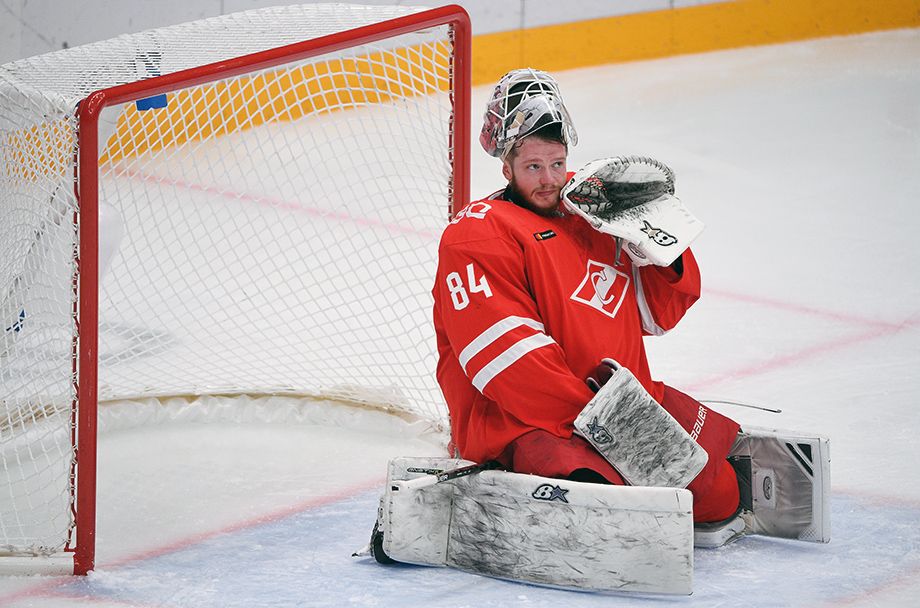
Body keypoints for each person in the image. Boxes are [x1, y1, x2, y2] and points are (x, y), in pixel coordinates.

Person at [432, 68, 741, 523]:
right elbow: (509, 364)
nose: (549, 179)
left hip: (620, 403)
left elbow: (659, 313)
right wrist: (604, 422)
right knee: (613, 511)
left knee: (720, 498)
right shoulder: (479, 234)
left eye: (557, 164)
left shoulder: (590, 206)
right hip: (527, 422)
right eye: (533, 167)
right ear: (506, 168)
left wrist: (658, 248)